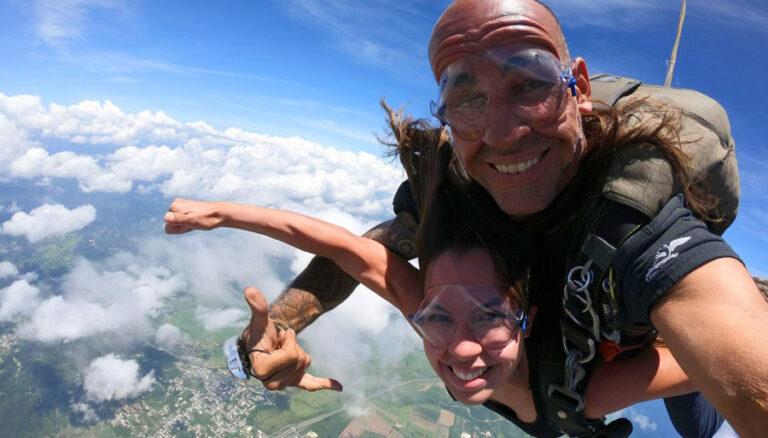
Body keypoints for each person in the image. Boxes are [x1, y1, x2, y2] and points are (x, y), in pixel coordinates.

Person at [235, 1, 768, 437]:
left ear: (579, 88)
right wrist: (277, 326)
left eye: (531, 84)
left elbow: (744, 366)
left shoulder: (640, 226)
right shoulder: (461, 185)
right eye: (467, 100)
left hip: (648, 334)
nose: (502, 132)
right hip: (579, 362)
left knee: (699, 412)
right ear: (446, 114)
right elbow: (376, 251)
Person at [164, 141, 700, 437]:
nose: (462, 349)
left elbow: (715, 360)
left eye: (490, 316)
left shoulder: (587, 391)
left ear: (527, 319)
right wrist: (223, 214)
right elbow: (348, 249)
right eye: (438, 316)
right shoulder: (433, 309)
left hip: (671, 350)